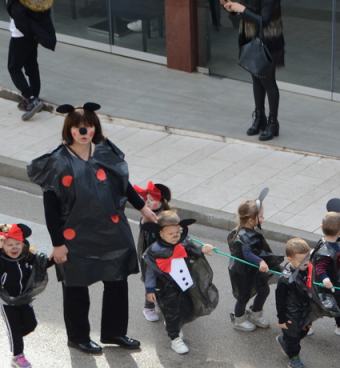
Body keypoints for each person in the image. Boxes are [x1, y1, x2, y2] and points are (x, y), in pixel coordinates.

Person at [28, 102, 158, 354]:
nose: (83, 131)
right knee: (76, 287)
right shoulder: (57, 161)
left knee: (117, 280)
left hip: (110, 230)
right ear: (69, 129)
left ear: (95, 128)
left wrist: (143, 208)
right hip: (74, 235)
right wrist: (57, 244)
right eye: (78, 127)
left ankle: (114, 332)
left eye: (88, 126)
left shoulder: (104, 154)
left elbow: (123, 183)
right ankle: (78, 337)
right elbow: (50, 207)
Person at [0, 223, 55, 368]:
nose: (14, 248)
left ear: (23, 244)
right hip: (8, 303)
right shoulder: (1, 260)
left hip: (24, 300)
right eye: (10, 245)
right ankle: (17, 356)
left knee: (31, 325)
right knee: (15, 331)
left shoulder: (25, 257)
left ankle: (15, 337)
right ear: (2, 247)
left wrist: (56, 257)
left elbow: (42, 264)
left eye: (18, 244)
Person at [142, 211, 218, 354]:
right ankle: (175, 338)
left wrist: (202, 250)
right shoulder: (154, 250)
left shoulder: (183, 243)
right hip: (168, 288)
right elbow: (150, 272)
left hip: (185, 285)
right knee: (172, 310)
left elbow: (193, 251)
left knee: (185, 307)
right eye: (171, 233)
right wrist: (150, 289)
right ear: (160, 233)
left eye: (178, 232)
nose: (176, 236)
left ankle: (175, 324)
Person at [223, 0, 285, 141]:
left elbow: (264, 20)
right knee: (256, 78)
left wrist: (241, 9)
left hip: (268, 39)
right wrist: (231, 7)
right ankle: (260, 117)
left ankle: (273, 122)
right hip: (251, 37)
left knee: (268, 81)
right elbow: (244, 10)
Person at [227, 190, 283, 332]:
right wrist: (260, 262)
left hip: (253, 270)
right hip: (242, 272)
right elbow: (247, 253)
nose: (263, 218)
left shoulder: (250, 231)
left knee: (264, 290)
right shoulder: (243, 235)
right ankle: (239, 319)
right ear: (251, 220)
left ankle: (255, 314)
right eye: (261, 216)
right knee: (243, 296)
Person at [311, 212, 340, 338]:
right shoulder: (326, 250)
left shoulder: (327, 243)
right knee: (318, 304)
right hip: (328, 283)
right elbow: (320, 267)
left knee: (339, 304)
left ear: (321, 227)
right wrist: (325, 279)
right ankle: (306, 324)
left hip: (335, 281)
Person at [6, 0, 56, 121]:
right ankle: (35, 97)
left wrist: (28, 35)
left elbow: (20, 19)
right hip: (33, 35)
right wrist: (33, 35)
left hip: (20, 36)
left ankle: (30, 99)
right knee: (31, 65)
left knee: (14, 68)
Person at [275, 238, 320, 368]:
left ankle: (285, 340)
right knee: (293, 336)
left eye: (308, 259)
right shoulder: (285, 279)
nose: (306, 263)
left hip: (304, 309)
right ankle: (294, 358)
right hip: (291, 313)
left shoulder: (305, 269)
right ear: (290, 259)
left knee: (304, 330)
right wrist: (282, 318)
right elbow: (280, 299)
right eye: (302, 261)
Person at [134, 181, 172, 322]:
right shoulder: (147, 217)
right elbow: (143, 223)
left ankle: (160, 301)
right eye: (146, 199)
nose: (148, 202)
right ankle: (148, 307)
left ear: (163, 202)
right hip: (149, 254)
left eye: (152, 199)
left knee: (164, 279)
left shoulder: (168, 216)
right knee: (151, 280)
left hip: (165, 254)